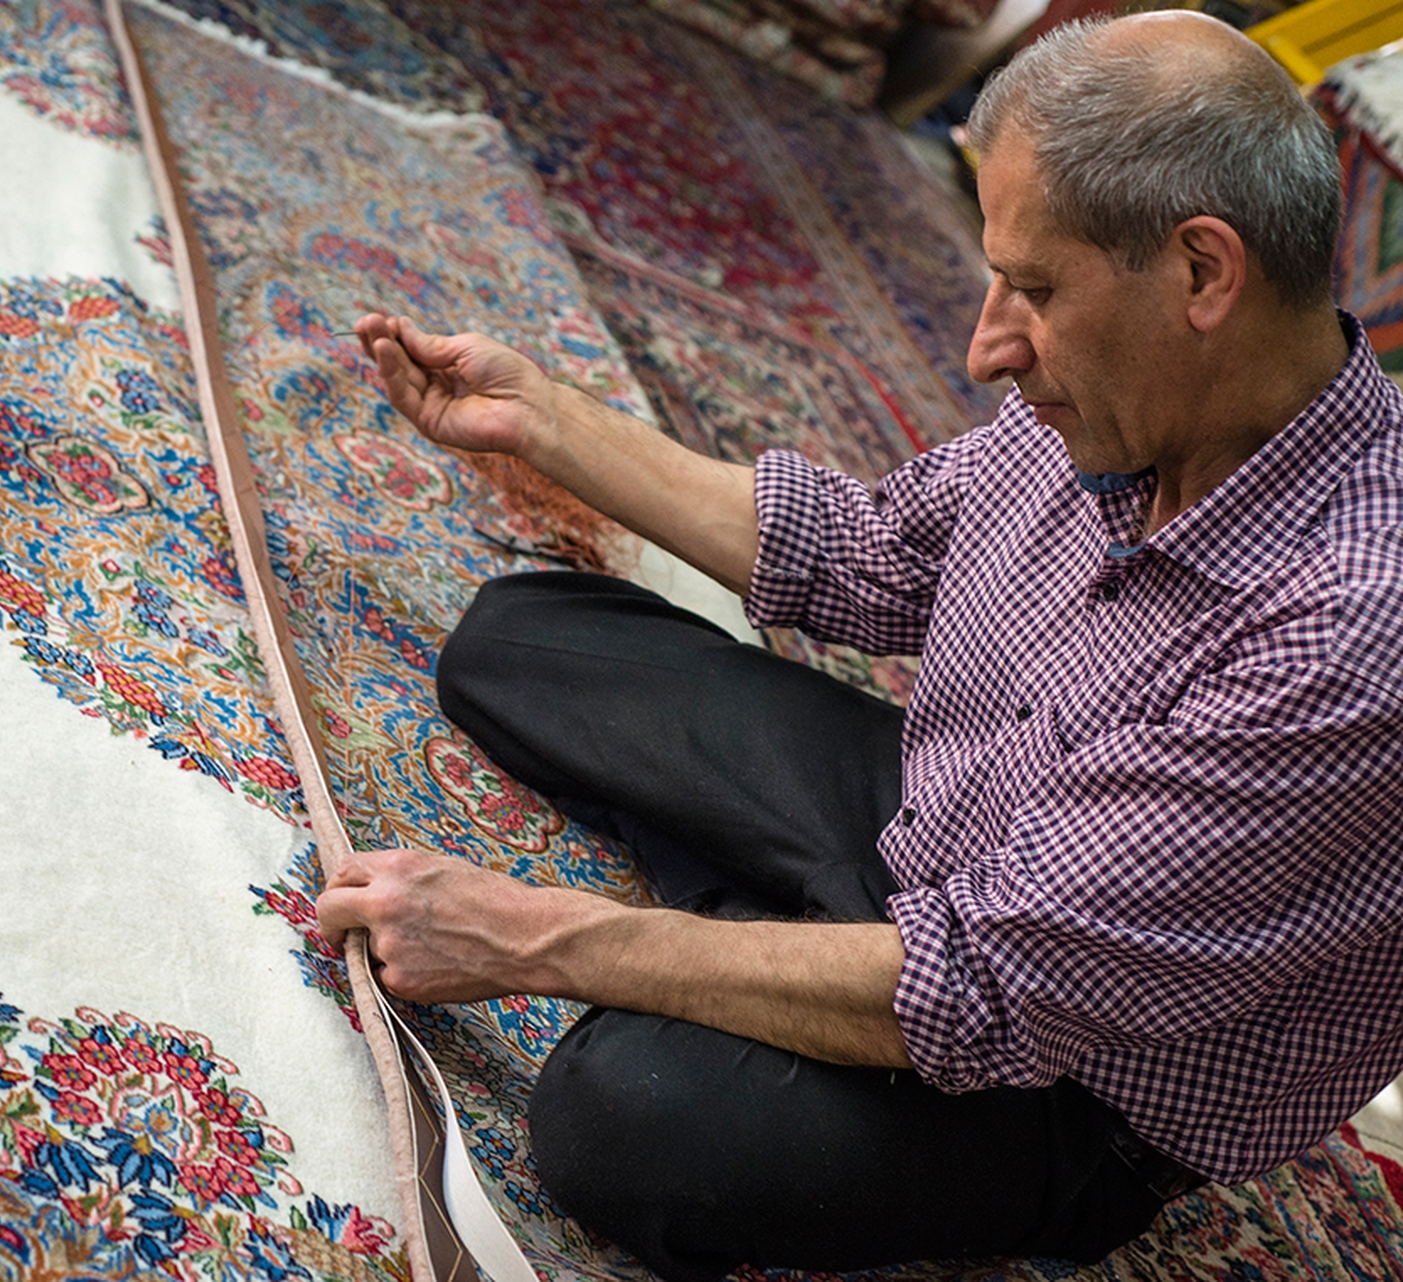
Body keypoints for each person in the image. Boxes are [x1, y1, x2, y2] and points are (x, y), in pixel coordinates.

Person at [315, 10, 1403, 1278]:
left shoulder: (1350, 631)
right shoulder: (1118, 405)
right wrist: (543, 419)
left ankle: (772, 957)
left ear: (1204, 273)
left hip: (1070, 1076)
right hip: (949, 835)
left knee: (621, 1117)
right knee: (523, 638)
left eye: (1036, 289)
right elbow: (869, 554)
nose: (988, 344)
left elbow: (991, 985)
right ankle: (783, 952)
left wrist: (538, 936)